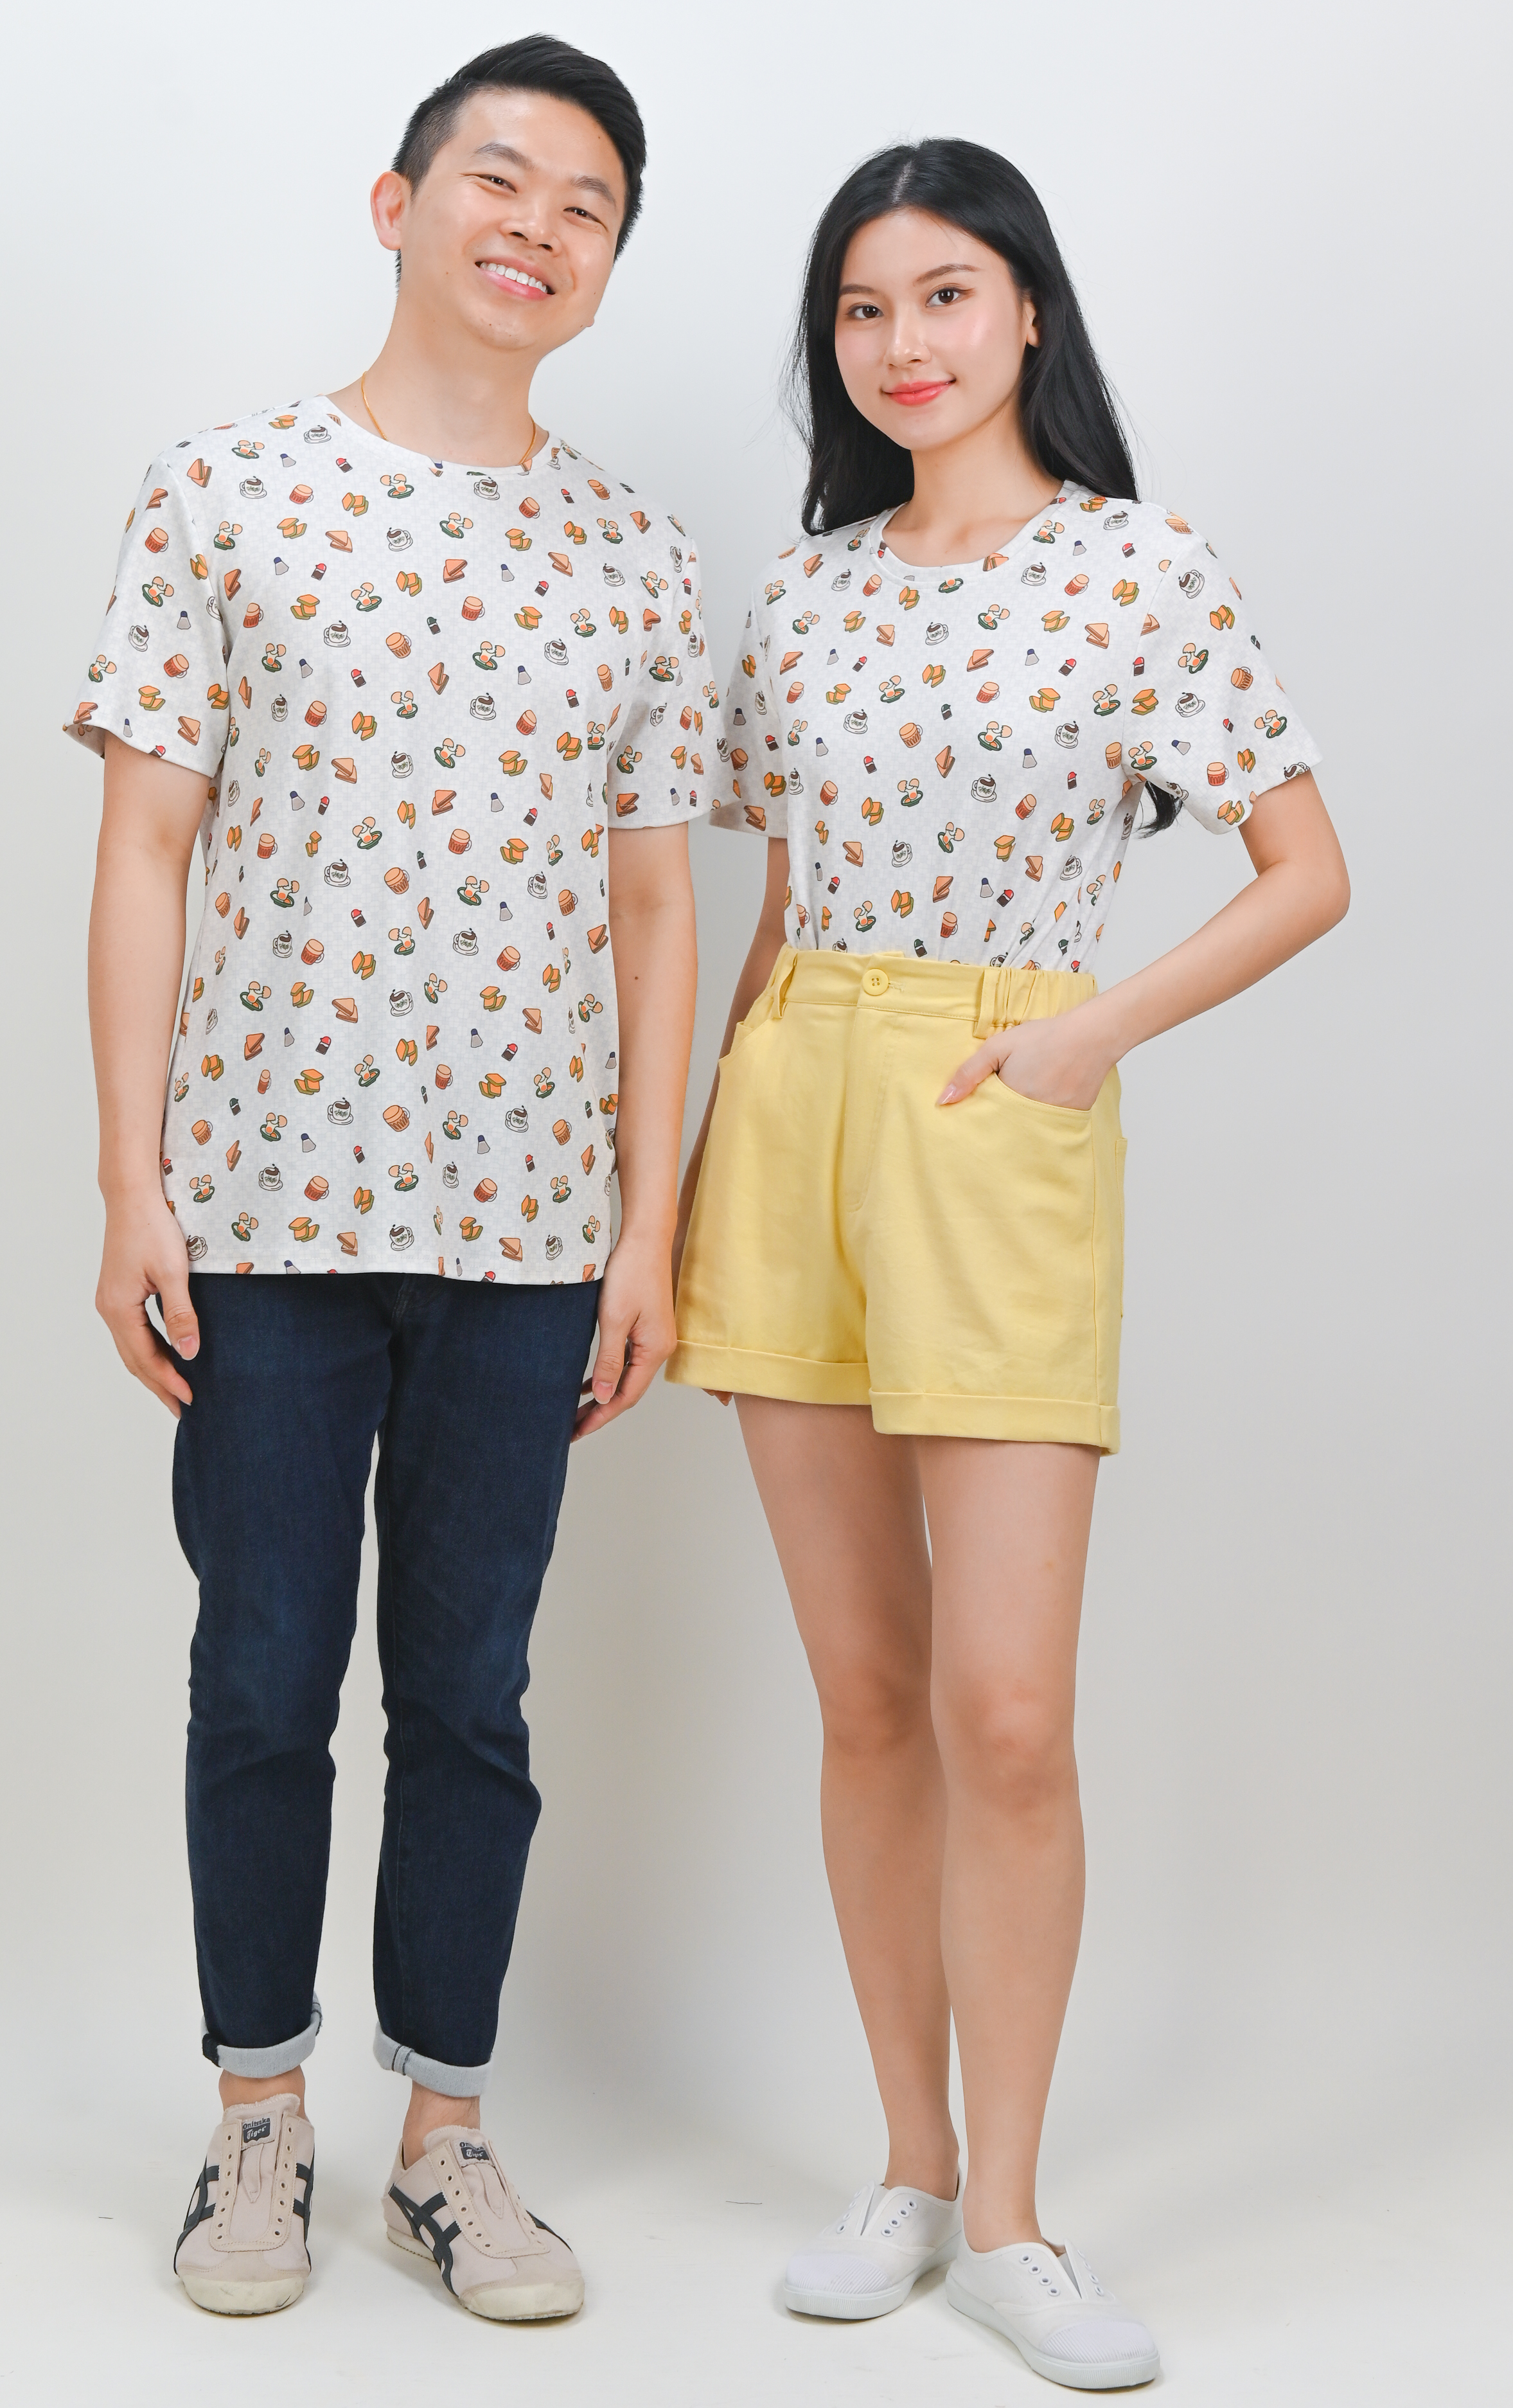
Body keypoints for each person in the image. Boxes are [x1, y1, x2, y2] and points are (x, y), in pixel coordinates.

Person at [668, 140, 1348, 2390]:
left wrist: (1082, 1034)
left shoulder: (1139, 567)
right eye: (861, 309)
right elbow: (776, 904)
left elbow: (1302, 869)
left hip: (996, 1095)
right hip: (795, 1099)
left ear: (1028, 310)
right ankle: (907, 2163)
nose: (904, 344)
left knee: (1007, 1713)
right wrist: (699, 1176)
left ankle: (1017, 2222)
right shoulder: (807, 593)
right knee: (865, 1696)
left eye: (944, 295)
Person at [69, 35, 716, 2323]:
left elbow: (657, 909)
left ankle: (446, 2137)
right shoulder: (223, 494)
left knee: (468, 1692)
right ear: (398, 203)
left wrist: (648, 1228)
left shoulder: (638, 554)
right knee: (261, 1671)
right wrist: (132, 1185)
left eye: (586, 205)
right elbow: (144, 850)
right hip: (262, 1212)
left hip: (530, 1231)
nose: (536, 226)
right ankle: (256, 2120)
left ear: (608, 266)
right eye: (499, 179)